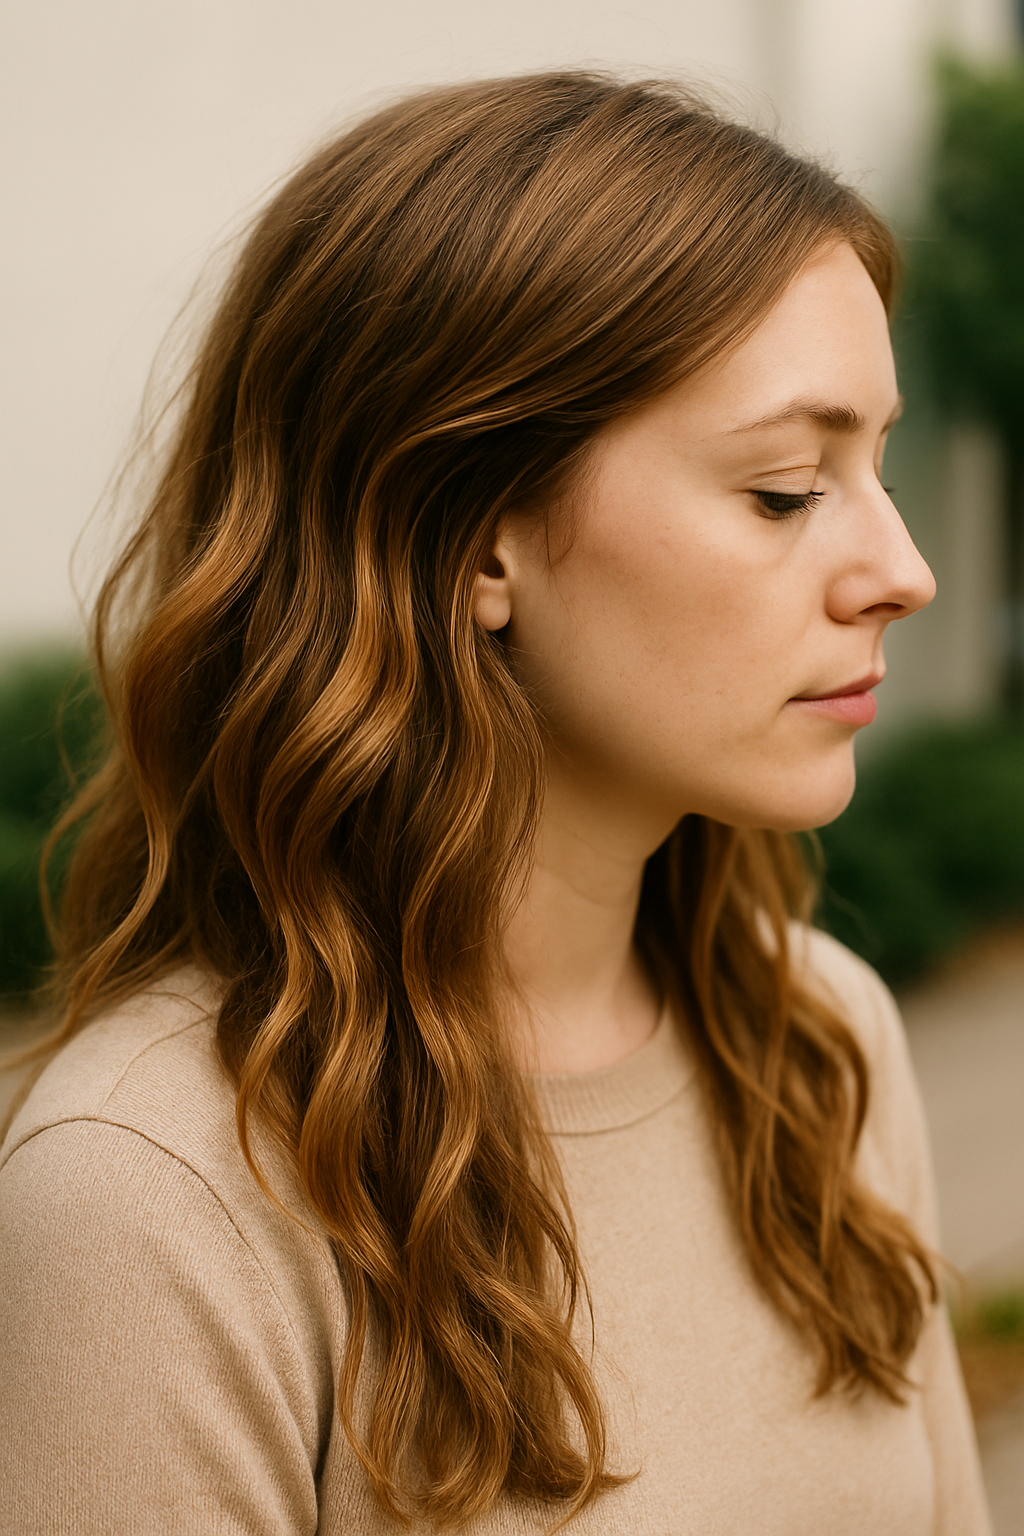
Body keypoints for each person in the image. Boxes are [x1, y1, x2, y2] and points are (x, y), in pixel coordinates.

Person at [0, 72, 992, 1535]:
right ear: (473, 538)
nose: (900, 567)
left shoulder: (822, 1043)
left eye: (878, 463)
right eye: (787, 489)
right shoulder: (154, 1203)